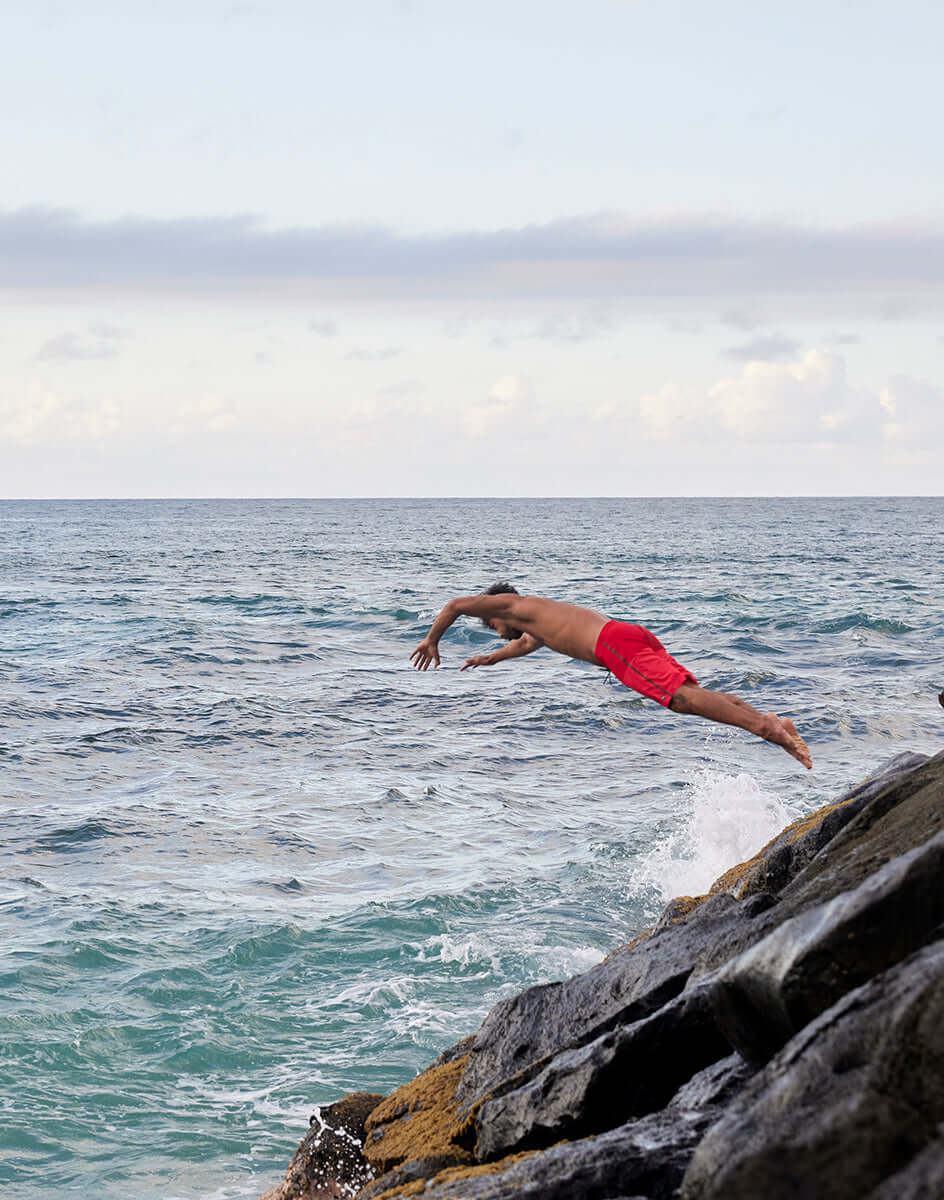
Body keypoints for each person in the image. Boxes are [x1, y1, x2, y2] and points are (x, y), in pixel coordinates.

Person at [410, 583, 812, 769]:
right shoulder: (537, 620)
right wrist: (490, 660)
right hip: (627, 635)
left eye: (492, 627)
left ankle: (765, 728)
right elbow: (526, 644)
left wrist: (432, 640)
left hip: (614, 647)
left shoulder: (511, 604)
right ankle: (772, 722)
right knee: (689, 692)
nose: (498, 634)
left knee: (681, 700)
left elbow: (456, 604)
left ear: (493, 612)